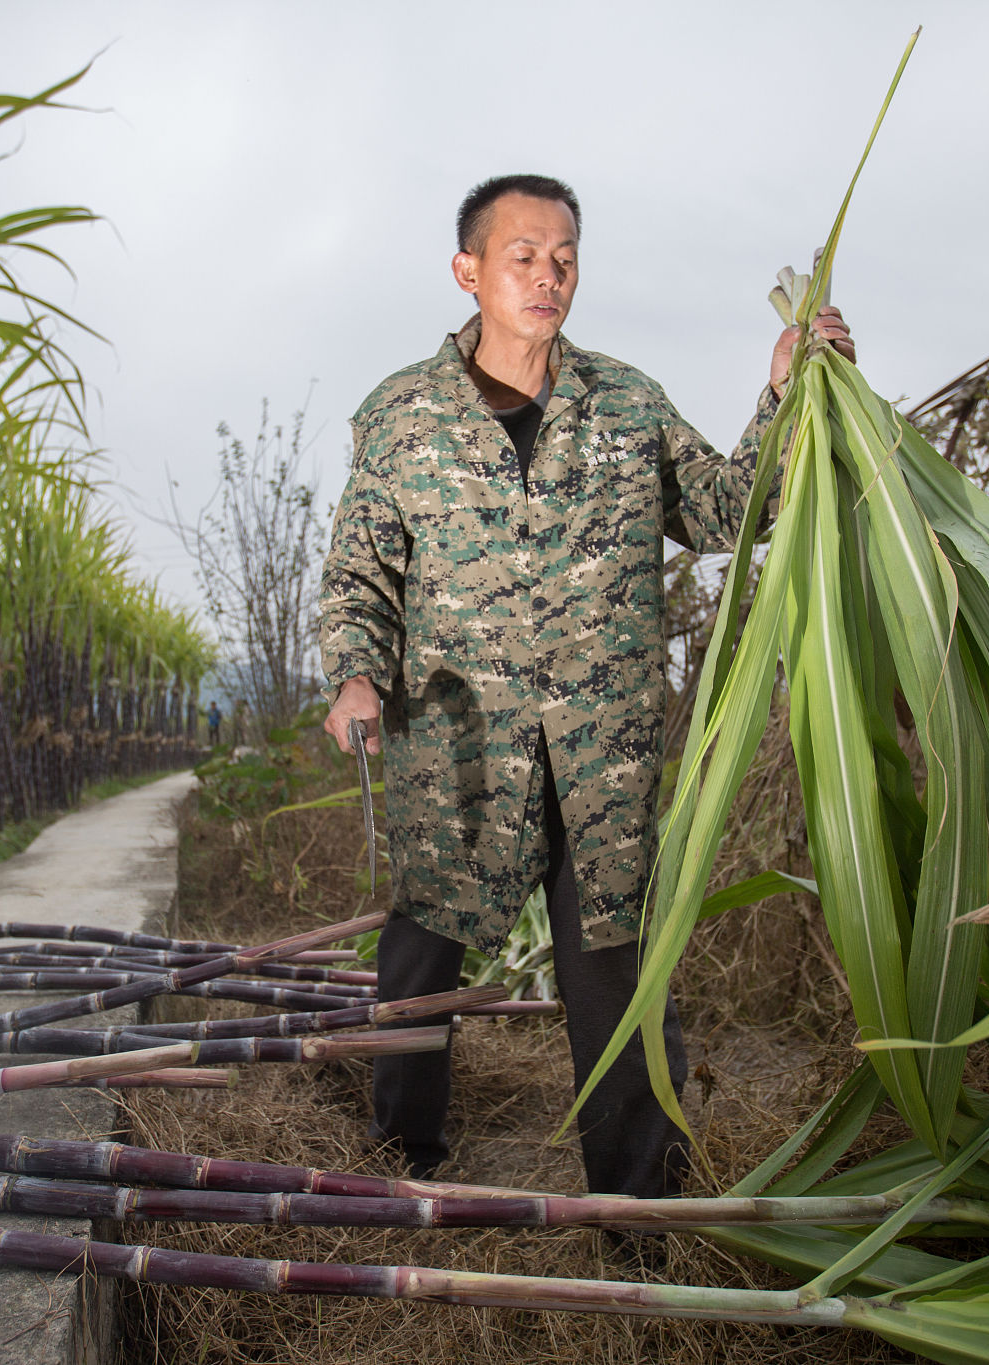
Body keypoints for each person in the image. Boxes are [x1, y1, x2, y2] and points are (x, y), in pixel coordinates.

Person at [318, 173, 852, 1195]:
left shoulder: (626, 402)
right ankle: (400, 1165)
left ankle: (639, 1194)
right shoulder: (400, 416)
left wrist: (784, 396)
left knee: (615, 962)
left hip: (600, 745)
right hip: (458, 746)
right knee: (422, 955)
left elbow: (731, 507)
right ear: (467, 270)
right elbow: (360, 570)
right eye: (522, 255)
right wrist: (354, 677)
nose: (547, 274)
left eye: (563, 256)